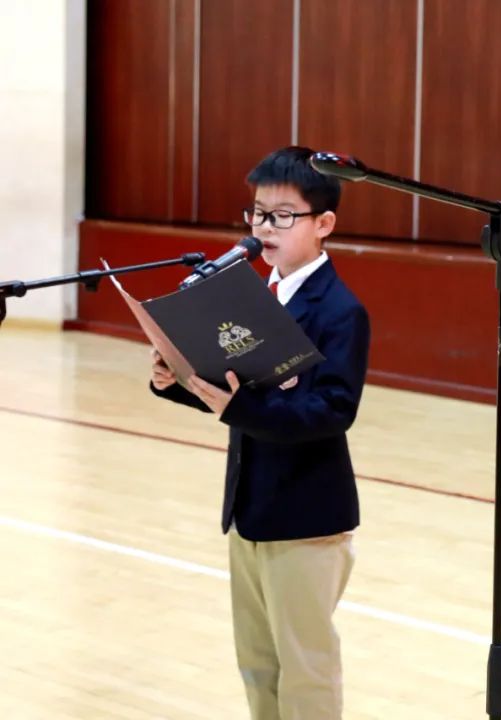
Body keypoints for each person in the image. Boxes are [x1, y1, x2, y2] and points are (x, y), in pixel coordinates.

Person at [150, 145, 370, 720]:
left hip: (305, 521)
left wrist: (241, 406)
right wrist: (176, 380)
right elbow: (238, 394)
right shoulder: (253, 300)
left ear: (324, 224)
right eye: (257, 213)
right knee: (257, 664)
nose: (264, 227)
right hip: (249, 513)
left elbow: (331, 412)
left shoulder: (340, 311)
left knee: (305, 669)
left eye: (282, 215)